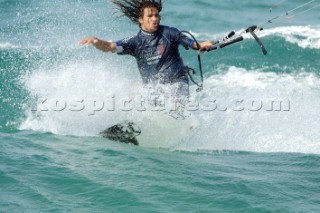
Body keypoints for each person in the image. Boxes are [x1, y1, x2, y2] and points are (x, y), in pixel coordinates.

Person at [80, 0, 213, 99]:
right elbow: (110, 47)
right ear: (141, 19)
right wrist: (96, 41)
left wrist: (200, 46)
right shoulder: (135, 42)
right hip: (155, 90)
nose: (155, 19)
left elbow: (190, 42)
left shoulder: (169, 33)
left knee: (175, 98)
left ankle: (182, 120)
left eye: (156, 15)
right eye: (150, 16)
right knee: (135, 91)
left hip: (177, 82)